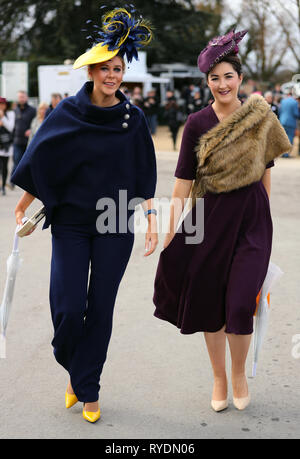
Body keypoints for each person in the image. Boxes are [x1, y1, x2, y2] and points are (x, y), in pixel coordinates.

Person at [11, 7, 157, 424]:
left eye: (119, 68)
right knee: (69, 307)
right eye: (105, 68)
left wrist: (150, 218)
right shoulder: (67, 113)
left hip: (114, 223)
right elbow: (41, 157)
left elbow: (145, 170)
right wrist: (23, 206)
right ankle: (73, 363)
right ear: (91, 71)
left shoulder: (134, 119)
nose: (113, 75)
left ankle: (87, 387)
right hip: (72, 223)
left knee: (101, 307)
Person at [153, 30, 292, 413]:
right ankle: (218, 377)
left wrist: (261, 214)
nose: (222, 84)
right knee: (209, 306)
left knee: (239, 305)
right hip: (209, 219)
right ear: (207, 83)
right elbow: (182, 183)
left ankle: (239, 373)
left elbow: (266, 171)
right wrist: (170, 234)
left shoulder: (259, 116)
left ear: (240, 79)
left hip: (251, 221)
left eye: (228, 76)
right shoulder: (196, 124)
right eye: (214, 78)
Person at [11, 90, 36, 182]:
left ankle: (29, 181)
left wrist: (31, 130)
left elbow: (36, 123)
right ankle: (13, 181)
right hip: (17, 140)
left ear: (27, 97)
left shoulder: (33, 110)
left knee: (28, 162)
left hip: (28, 141)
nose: (21, 99)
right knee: (16, 161)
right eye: (19, 97)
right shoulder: (14, 110)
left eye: (23, 97)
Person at [0, 98, 15, 195]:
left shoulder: (10, 114)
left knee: (4, 166)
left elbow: (10, 127)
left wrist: (2, 118)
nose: (1, 106)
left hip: (6, 144)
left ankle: (3, 186)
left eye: (3, 104)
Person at [279, 90, 299, 157]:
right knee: (290, 137)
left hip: (282, 121)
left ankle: (282, 153)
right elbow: (296, 113)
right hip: (291, 122)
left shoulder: (283, 101)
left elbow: (280, 111)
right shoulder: (294, 102)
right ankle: (286, 154)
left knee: (283, 138)